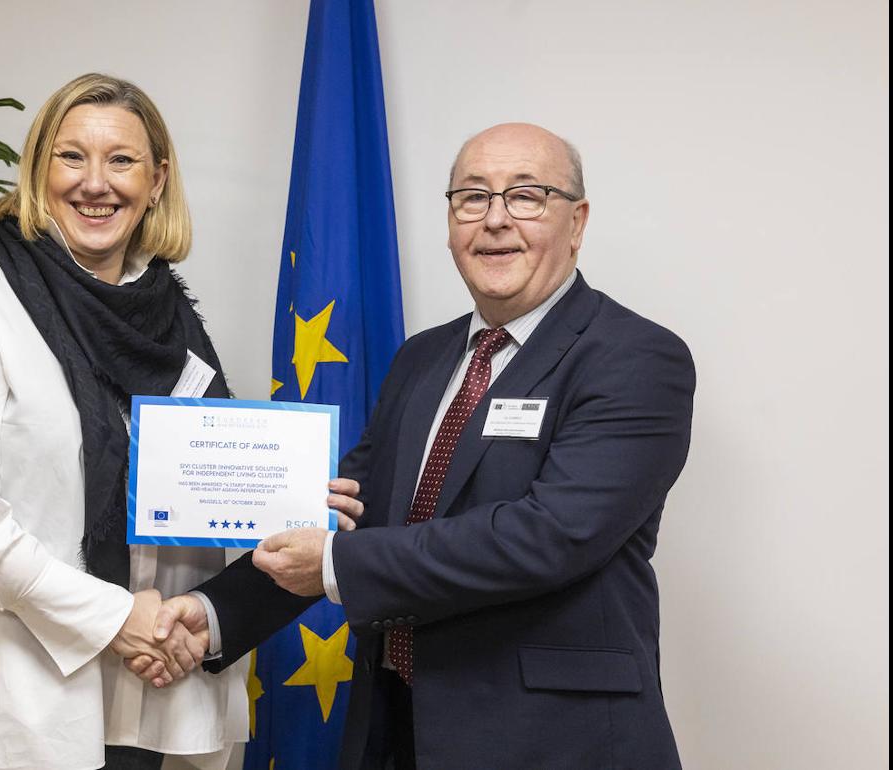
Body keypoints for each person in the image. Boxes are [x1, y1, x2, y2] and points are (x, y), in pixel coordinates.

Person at [142, 123, 696, 769]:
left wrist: (334, 562)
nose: (494, 220)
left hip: (555, 740)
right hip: (399, 724)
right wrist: (211, 614)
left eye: (526, 196)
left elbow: (550, 536)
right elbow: (344, 517)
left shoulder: (636, 357)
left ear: (577, 221)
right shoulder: (422, 358)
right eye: (472, 197)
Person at [0, 73, 368, 770]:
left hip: (157, 693)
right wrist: (116, 618)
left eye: (121, 160)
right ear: (37, 170)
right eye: (71, 156)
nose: (95, 183)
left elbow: (209, 498)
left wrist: (302, 505)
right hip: (20, 696)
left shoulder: (171, 316)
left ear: (157, 179)